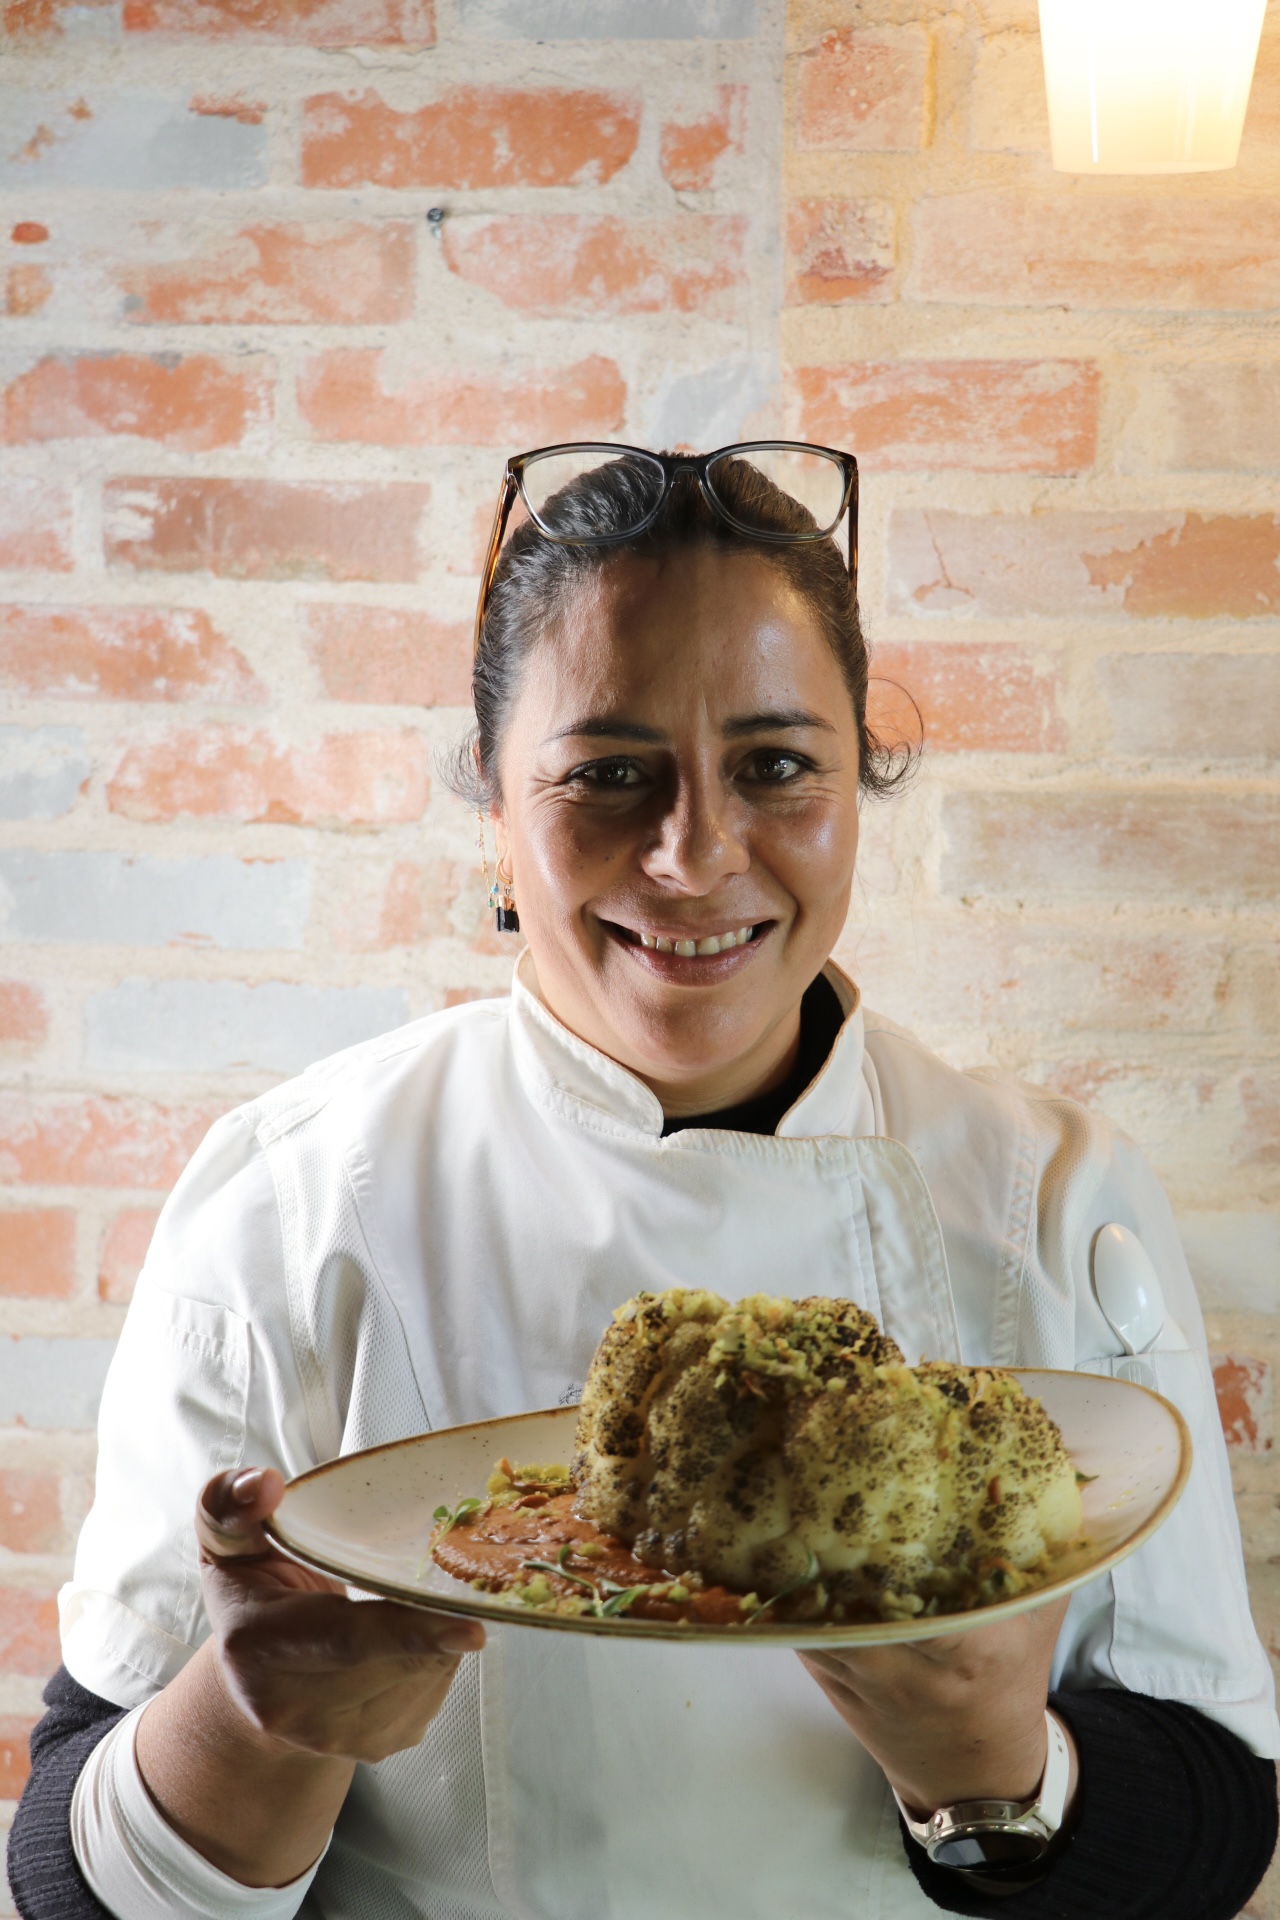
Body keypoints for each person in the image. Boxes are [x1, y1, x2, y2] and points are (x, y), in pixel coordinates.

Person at [9, 445, 1278, 1920]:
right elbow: (65, 1880)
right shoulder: (289, 1201)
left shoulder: (1052, 1196)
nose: (693, 856)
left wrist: (991, 1769)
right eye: (610, 774)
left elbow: (1217, 1818)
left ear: (859, 781)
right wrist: (249, 1730)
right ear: (493, 802)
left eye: (776, 765)